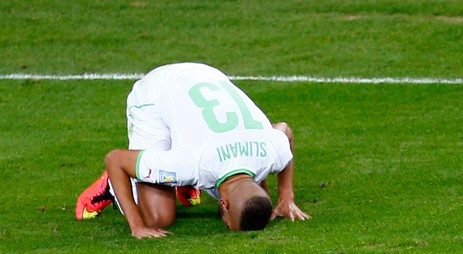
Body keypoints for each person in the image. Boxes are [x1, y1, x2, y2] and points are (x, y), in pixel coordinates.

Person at [76, 62, 309, 238]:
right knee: (159, 217)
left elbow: (284, 131)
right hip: (156, 93)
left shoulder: (270, 153)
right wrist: (136, 225)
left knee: (250, 194)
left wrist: (286, 197)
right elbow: (115, 158)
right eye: (227, 222)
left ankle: (174, 179)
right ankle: (111, 186)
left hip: (205, 75)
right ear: (223, 205)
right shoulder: (192, 165)